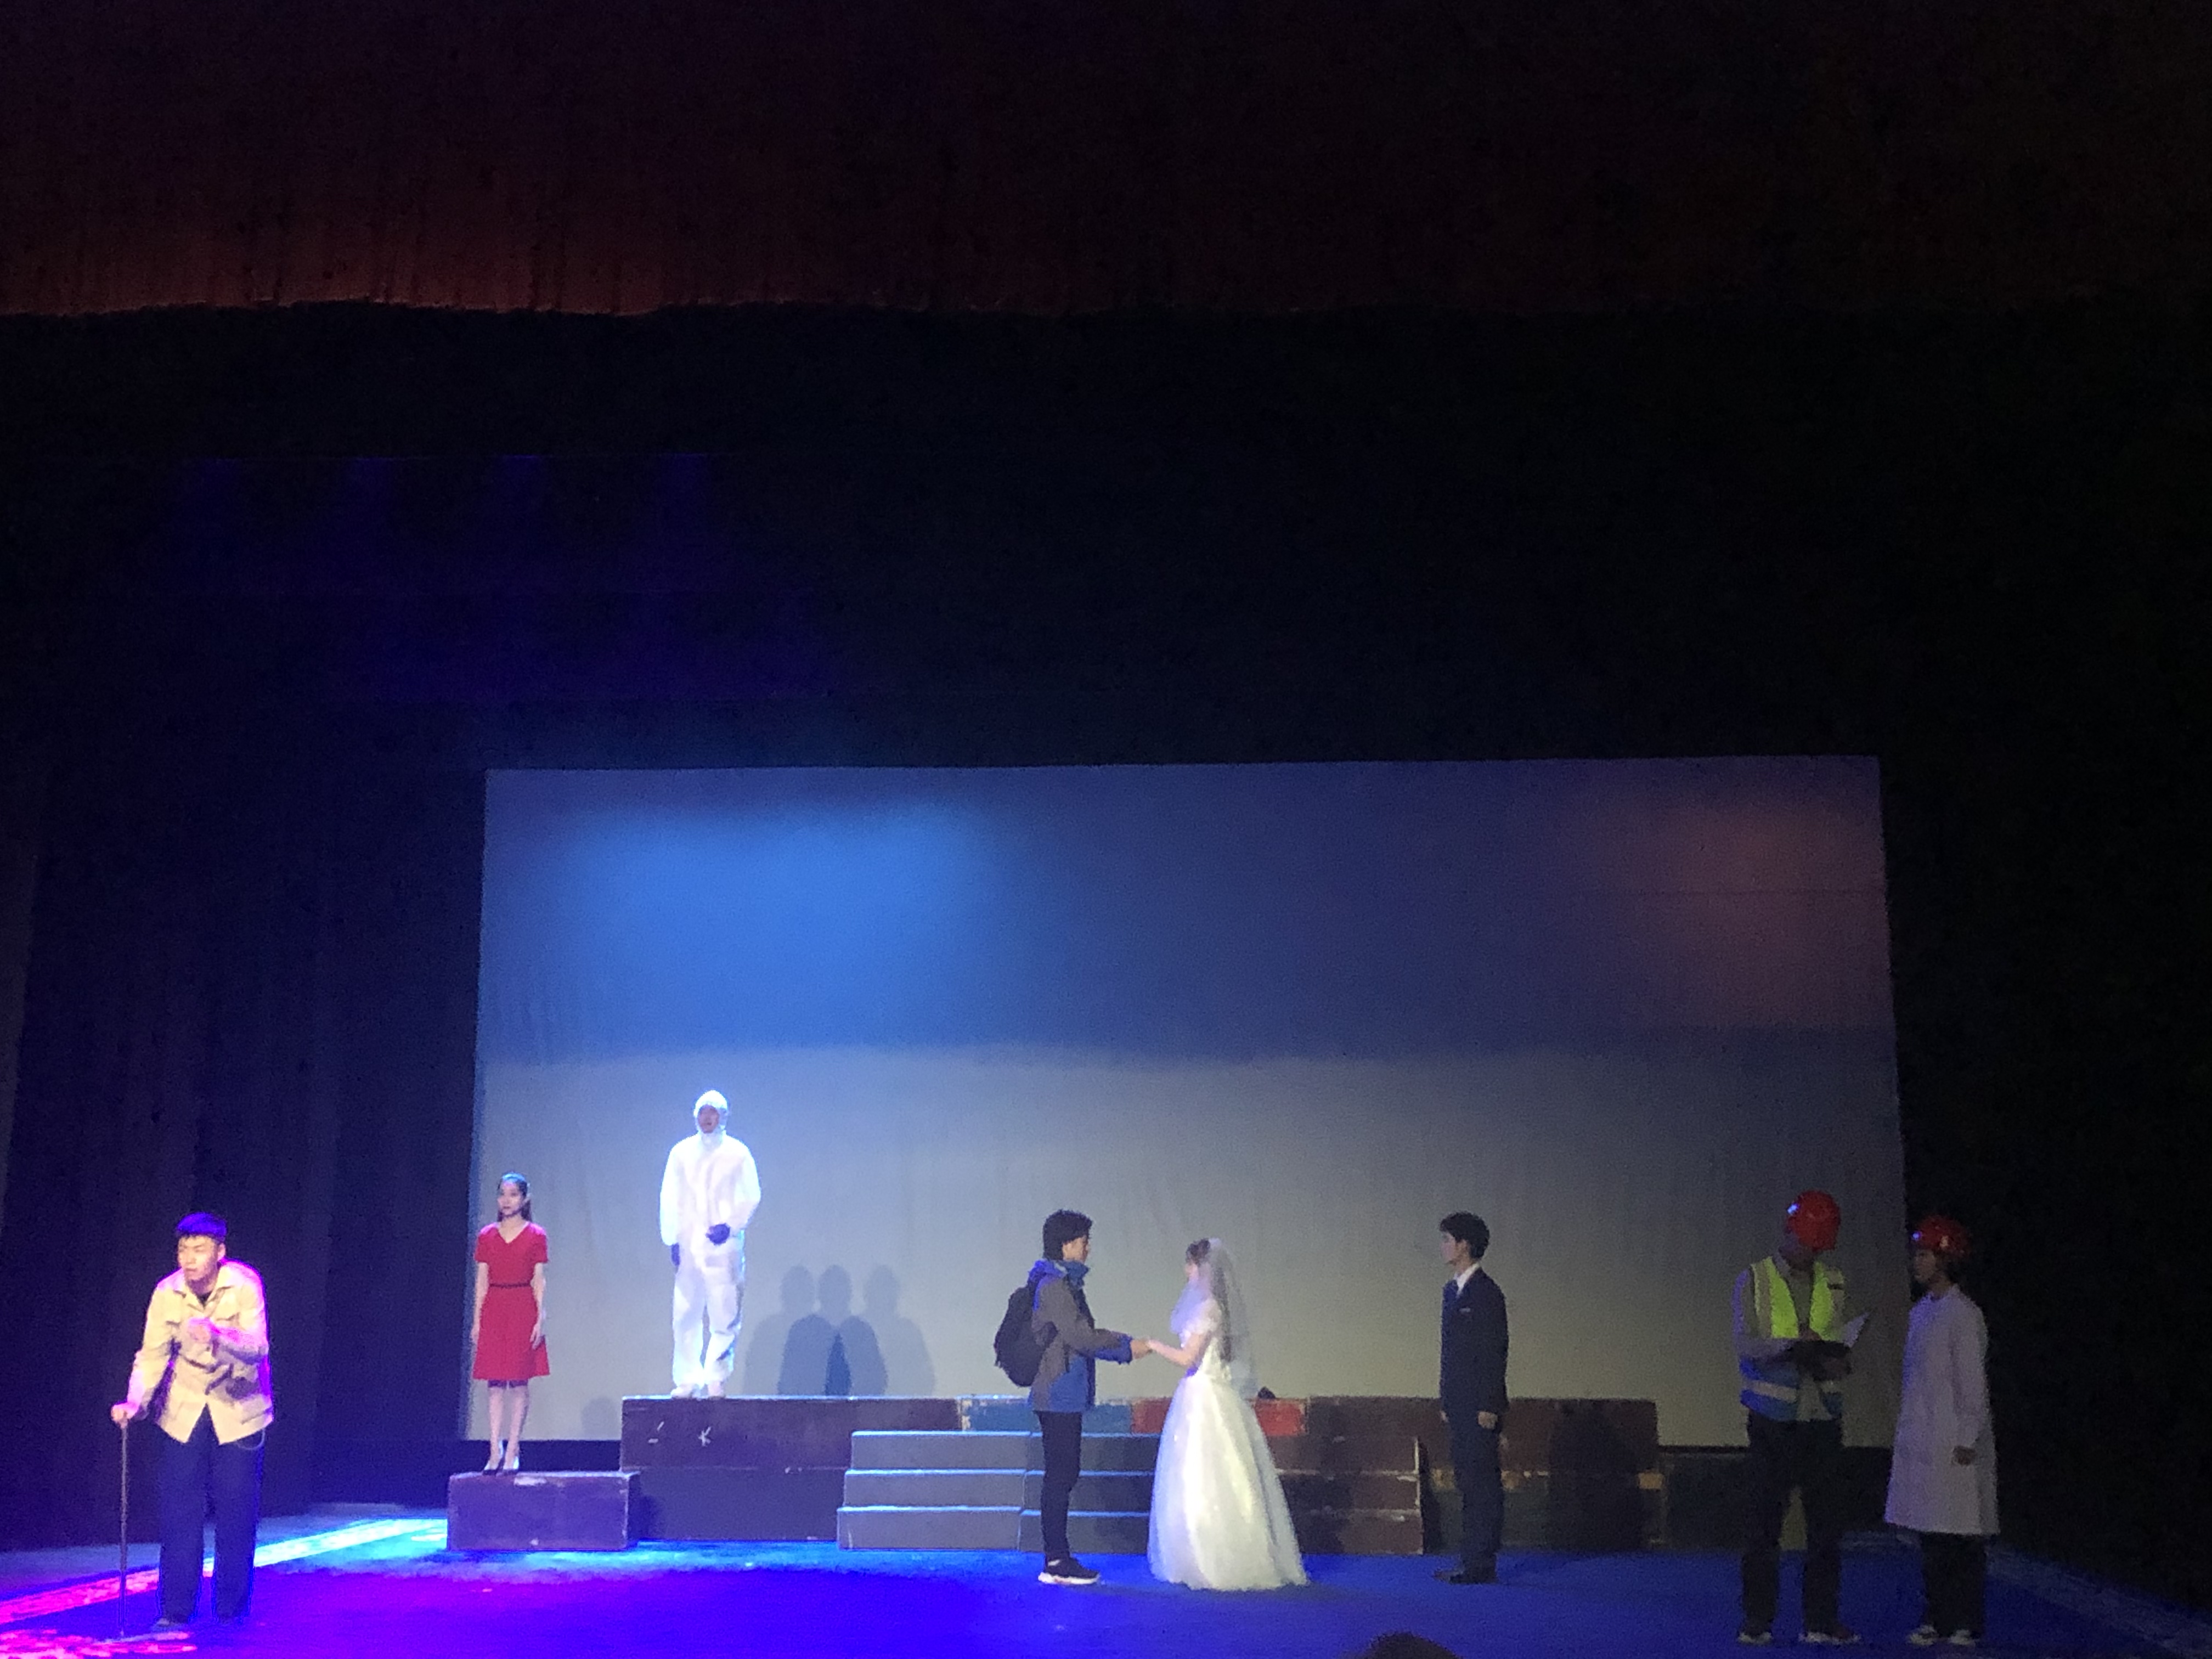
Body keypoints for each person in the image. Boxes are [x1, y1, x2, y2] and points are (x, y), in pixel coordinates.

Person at [110, 1213, 272, 1632]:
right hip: (184, 1408)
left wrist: (217, 1334)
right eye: (183, 1250)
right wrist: (136, 1402)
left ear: (220, 1253)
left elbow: (257, 1347)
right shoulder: (168, 1292)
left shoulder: (244, 1284)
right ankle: (175, 1609)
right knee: (179, 1511)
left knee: (236, 1512)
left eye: (199, 1250)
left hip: (238, 1410)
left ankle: (231, 1609)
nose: (189, 1259)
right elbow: (151, 1355)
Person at [1139, 1238, 1307, 1589]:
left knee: (1207, 1473)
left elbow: (1188, 1358)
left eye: (1190, 1265)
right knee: (1202, 1474)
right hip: (1203, 1394)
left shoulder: (1208, 1309)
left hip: (1205, 1398)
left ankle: (1215, 1558)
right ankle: (1195, 1554)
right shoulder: (1211, 1307)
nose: (1187, 1272)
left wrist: (1153, 1345)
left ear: (1200, 1267)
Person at [1735, 1189, 1859, 1646]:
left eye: (1819, 1245)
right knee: (1763, 1527)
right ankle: (1757, 1621)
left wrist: (1836, 1359)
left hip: (1822, 1415)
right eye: (1807, 1242)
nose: (1812, 1253)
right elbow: (1746, 1344)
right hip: (1773, 1418)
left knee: (1826, 1528)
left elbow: (1839, 1340)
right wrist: (1789, 1347)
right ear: (1789, 1232)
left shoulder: (1834, 1281)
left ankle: (1821, 1622)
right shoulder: (1756, 1279)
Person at [1884, 1216, 1997, 1649]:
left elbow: (1972, 1382)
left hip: (1954, 1443)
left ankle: (1966, 1620)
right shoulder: (1921, 1313)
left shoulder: (1963, 1315)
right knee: (1932, 1534)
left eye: (1925, 1255)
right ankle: (1936, 1615)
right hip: (1926, 1441)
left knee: (1961, 1535)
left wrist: (1968, 1436)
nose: (1917, 1262)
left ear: (1946, 1259)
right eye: (1916, 1255)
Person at [1028, 1209, 1149, 1585]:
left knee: (1064, 1472)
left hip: (1064, 1392)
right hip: (1057, 1393)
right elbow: (1081, 1336)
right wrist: (1127, 1347)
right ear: (1066, 1245)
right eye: (1083, 1241)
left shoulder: (1063, 1284)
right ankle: (1056, 1560)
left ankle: (1058, 1558)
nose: (1088, 1248)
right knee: (1060, 1474)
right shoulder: (1054, 1287)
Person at [659, 1088, 761, 1398]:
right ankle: (688, 1378)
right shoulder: (681, 1153)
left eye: (713, 1112)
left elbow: (750, 1195)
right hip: (689, 1246)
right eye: (702, 1112)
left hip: (723, 1247)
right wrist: (672, 1238)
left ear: (724, 1116)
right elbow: (670, 1197)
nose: (707, 1118)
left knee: (724, 1312)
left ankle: (716, 1377)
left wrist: (730, 1226)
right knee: (685, 1313)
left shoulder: (738, 1153)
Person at [1437, 1211, 1508, 1585]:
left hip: (1480, 1406)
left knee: (1482, 1483)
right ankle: (1469, 1557)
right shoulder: (1452, 1291)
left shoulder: (1486, 1293)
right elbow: (1450, 1353)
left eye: (1447, 1240)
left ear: (1464, 1245)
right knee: (1466, 1481)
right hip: (1459, 1403)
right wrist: (1446, 1399)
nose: (1443, 1247)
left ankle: (1482, 1561)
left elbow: (1495, 1351)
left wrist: (1489, 1404)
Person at [471, 1171, 549, 1471]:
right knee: (494, 1383)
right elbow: (482, 1281)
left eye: (514, 1195)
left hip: (521, 1306)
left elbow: (539, 1280)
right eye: (503, 1194)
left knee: (518, 1381)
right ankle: (494, 1449)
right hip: (495, 1306)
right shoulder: (487, 1236)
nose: (507, 1200)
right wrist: (477, 1320)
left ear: (525, 1199)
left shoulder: (536, 1235)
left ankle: (513, 1448)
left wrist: (539, 1317)